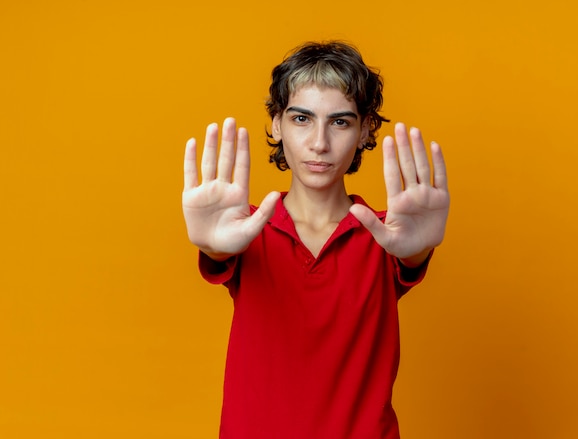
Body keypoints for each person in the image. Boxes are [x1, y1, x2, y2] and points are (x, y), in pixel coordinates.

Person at [182, 41, 449, 439]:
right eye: (302, 119)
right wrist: (214, 245)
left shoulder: (388, 235)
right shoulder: (246, 230)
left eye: (340, 122)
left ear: (366, 130)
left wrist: (420, 250)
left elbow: (408, 257)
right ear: (276, 123)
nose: (319, 142)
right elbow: (220, 252)